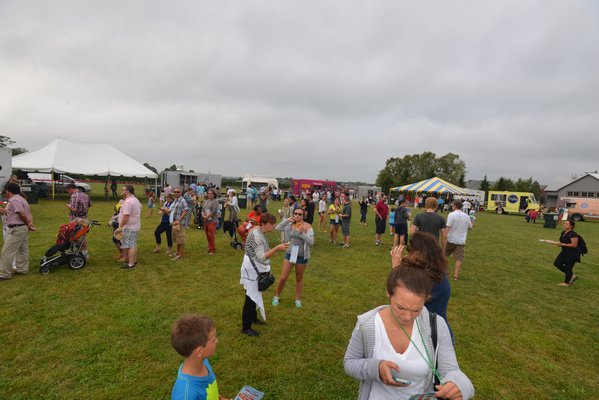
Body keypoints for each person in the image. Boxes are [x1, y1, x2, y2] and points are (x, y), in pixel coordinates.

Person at [344, 255, 475, 400]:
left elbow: (451, 370)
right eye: (400, 307)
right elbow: (350, 362)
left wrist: (458, 385)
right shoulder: (367, 324)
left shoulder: (436, 325)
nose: (407, 317)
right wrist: (376, 368)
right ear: (388, 292)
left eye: (416, 310)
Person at [392, 231, 453, 339]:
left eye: (410, 251)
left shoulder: (427, 278)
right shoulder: (435, 271)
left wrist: (396, 267)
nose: (408, 255)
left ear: (418, 253)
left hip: (432, 335)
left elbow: (397, 295)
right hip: (432, 329)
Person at [240, 213, 289, 336]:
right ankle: (246, 328)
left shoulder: (259, 230)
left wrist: (287, 220)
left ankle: (253, 318)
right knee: (250, 297)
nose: (273, 226)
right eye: (271, 224)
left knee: (254, 294)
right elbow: (261, 257)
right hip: (252, 268)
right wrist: (277, 249)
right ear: (262, 223)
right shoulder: (257, 235)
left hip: (253, 266)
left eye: (273, 223)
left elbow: (263, 251)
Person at [170, 314, 229, 400]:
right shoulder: (186, 395)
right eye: (213, 340)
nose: (217, 341)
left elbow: (209, 391)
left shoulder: (203, 362)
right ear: (199, 351)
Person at [273, 208, 315, 308]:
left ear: (303, 216)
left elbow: (311, 242)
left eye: (300, 214)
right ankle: (276, 296)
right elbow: (278, 228)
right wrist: (287, 220)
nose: (297, 216)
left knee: (299, 278)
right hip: (289, 253)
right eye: (295, 213)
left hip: (301, 256)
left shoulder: (307, 226)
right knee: (283, 277)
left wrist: (302, 233)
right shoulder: (289, 224)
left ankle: (297, 299)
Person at [0, 182, 35, 281]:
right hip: (21, 227)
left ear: (7, 190)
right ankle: (22, 269)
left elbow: (22, 214)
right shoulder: (21, 199)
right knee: (23, 249)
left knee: (6, 251)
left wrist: (28, 224)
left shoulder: (14, 200)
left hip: (17, 228)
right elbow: (26, 213)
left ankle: (4, 274)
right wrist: (28, 224)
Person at [114, 185, 142, 269]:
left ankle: (131, 264)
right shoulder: (135, 199)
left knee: (131, 245)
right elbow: (141, 207)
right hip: (134, 226)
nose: (121, 191)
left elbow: (126, 216)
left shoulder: (128, 202)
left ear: (128, 191)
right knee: (132, 243)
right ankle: (132, 260)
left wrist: (120, 227)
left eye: (123, 190)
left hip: (129, 227)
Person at [445, 200, 473, 281]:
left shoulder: (451, 215)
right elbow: (470, 227)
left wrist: (445, 237)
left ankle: (446, 271)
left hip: (451, 239)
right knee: (459, 258)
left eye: (452, 205)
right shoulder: (466, 216)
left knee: (445, 254)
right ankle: (455, 275)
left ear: (455, 206)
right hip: (461, 240)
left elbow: (448, 226)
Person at [66, 183, 92, 258]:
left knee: (76, 237)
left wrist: (69, 206)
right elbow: (90, 205)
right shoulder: (85, 195)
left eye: (68, 191)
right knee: (83, 236)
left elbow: (74, 209)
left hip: (76, 219)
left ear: (71, 189)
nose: (69, 193)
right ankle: (85, 253)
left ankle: (80, 254)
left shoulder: (74, 196)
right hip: (85, 218)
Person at [553, 219, 580, 287]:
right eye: (564, 223)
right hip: (564, 252)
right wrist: (559, 244)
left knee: (568, 268)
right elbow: (562, 241)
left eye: (567, 224)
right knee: (557, 263)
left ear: (571, 226)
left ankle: (567, 283)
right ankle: (572, 275)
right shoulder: (563, 232)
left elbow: (574, 245)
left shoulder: (573, 234)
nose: (564, 224)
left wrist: (563, 244)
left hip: (572, 253)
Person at [169, 188, 189, 261]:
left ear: (181, 193)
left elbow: (185, 210)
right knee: (177, 239)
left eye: (178, 192)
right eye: (175, 192)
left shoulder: (183, 200)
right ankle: (177, 253)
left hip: (179, 223)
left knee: (181, 239)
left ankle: (180, 255)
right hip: (174, 223)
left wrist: (179, 220)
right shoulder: (176, 200)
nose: (176, 193)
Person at [202, 188, 219, 255]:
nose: (209, 195)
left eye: (211, 193)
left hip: (213, 220)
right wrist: (203, 216)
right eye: (208, 193)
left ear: (214, 194)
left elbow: (214, 211)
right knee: (207, 235)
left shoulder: (215, 201)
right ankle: (209, 247)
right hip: (206, 221)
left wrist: (207, 216)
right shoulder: (206, 201)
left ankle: (212, 249)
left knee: (211, 235)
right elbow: (202, 210)